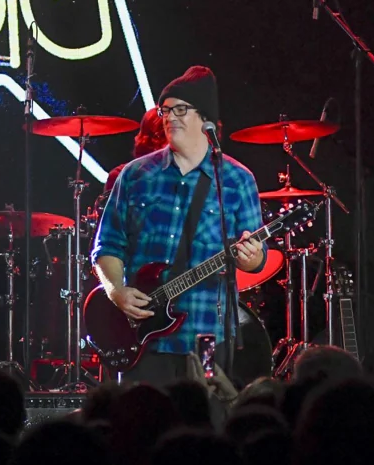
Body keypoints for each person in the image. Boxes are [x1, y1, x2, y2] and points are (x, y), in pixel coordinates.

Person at [91, 65, 265, 383]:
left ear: (205, 119)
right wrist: (117, 292)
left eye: (180, 109)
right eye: (165, 110)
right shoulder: (135, 175)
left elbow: (257, 258)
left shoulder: (238, 180)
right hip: (141, 341)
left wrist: (252, 259)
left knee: (204, 426)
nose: (169, 117)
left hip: (206, 336)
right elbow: (107, 245)